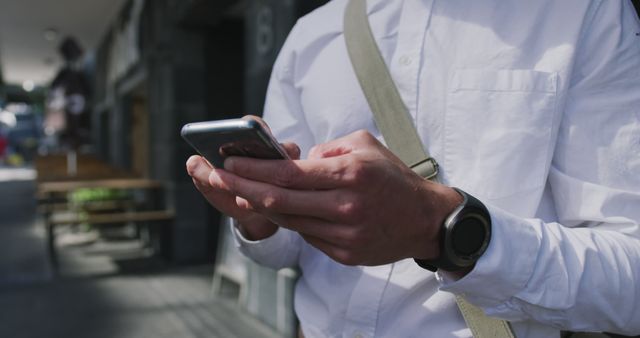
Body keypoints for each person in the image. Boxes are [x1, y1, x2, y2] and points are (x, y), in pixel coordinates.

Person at [187, 0, 640, 337]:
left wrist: (442, 229)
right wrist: (259, 214)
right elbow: (285, 252)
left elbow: (631, 277)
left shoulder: (581, 12)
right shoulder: (311, 37)